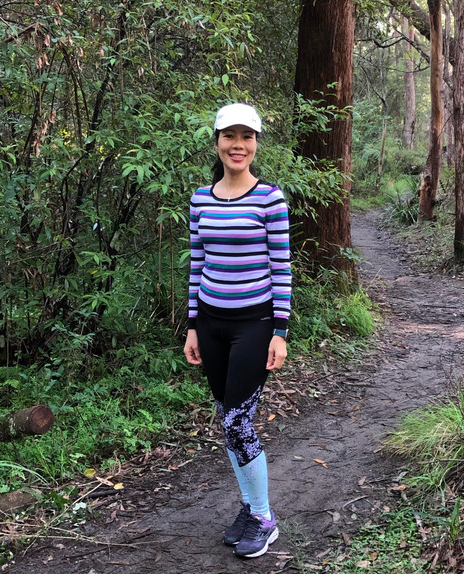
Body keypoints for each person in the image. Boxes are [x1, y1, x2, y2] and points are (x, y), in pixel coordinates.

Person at [183, 103, 291, 559]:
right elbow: (198, 264)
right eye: (230, 136)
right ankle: (250, 507)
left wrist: (280, 331)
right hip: (210, 325)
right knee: (229, 422)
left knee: (237, 421)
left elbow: (281, 269)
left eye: (247, 137)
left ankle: (265, 518)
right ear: (217, 143)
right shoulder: (200, 199)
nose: (238, 145)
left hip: (254, 325)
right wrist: (191, 325)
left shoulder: (270, 199)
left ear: (256, 144)